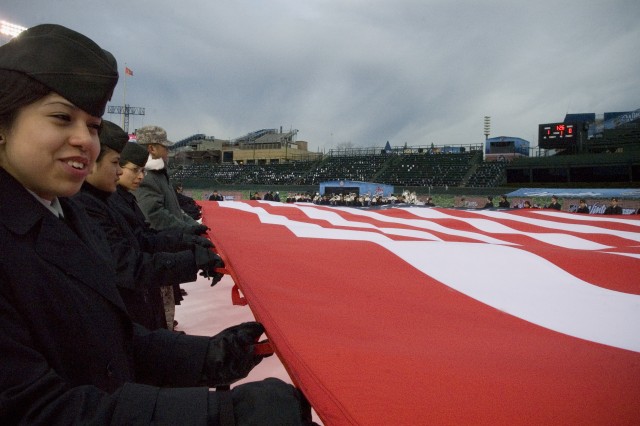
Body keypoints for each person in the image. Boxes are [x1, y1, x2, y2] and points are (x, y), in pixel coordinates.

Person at [0, 23, 312, 425]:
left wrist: (209, 357)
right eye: (61, 118)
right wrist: (219, 417)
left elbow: (112, 343)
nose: (85, 141)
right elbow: (33, 410)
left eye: (93, 126)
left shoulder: (67, 212)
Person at [73, 121, 224, 330]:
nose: (119, 172)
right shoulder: (90, 204)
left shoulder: (110, 198)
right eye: (117, 163)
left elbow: (142, 237)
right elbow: (127, 264)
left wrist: (185, 238)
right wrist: (190, 258)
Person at [134, 125, 209, 329]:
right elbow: (155, 216)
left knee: (165, 302)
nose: (167, 151)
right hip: (159, 248)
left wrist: (195, 227)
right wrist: (187, 232)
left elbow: (173, 208)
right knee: (161, 305)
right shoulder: (148, 175)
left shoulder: (157, 173)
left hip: (165, 246)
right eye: (163, 147)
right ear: (151, 148)